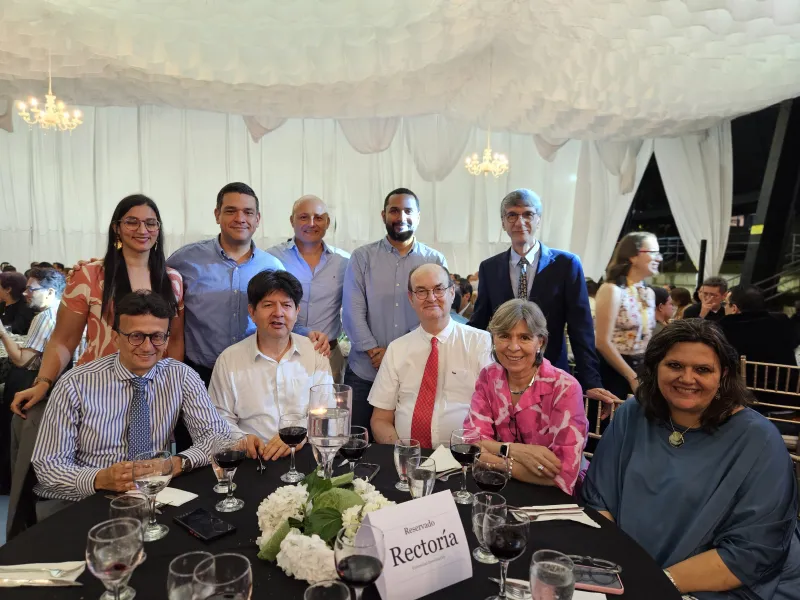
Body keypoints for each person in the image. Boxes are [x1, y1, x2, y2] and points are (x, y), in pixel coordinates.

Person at [582, 319, 800, 599]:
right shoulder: (633, 413)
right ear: (654, 367)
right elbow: (599, 500)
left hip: (723, 585)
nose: (687, 378)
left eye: (702, 370)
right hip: (627, 573)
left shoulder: (759, 440)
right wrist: (614, 571)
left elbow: (751, 553)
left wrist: (653, 583)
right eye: (674, 365)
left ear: (723, 376)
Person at [31, 291, 230, 511]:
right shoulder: (75, 383)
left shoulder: (181, 376)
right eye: (136, 336)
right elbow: (48, 465)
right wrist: (100, 478)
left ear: (166, 339)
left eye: (157, 336)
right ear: (116, 338)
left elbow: (218, 437)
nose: (147, 347)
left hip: (155, 495)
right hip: (83, 500)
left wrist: (176, 463)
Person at [10, 195, 185, 419]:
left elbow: (176, 340)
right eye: (132, 222)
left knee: (148, 453)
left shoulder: (173, 280)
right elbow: (63, 339)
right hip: (97, 388)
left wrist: (174, 386)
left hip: (153, 391)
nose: (142, 229)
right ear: (117, 228)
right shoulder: (89, 275)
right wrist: (44, 382)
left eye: (150, 223)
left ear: (158, 229)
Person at [167, 182, 329, 387]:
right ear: (217, 215)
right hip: (198, 375)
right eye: (231, 211)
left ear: (257, 219)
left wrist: (308, 335)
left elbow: (281, 316)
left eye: (248, 212)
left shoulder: (272, 266)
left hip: (254, 374)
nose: (240, 218)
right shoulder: (185, 261)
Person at [469, 189, 617, 407]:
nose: (520, 221)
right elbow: (480, 325)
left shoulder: (566, 264)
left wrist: (591, 381)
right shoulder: (489, 268)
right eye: (512, 215)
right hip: (504, 374)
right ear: (503, 223)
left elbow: (581, 328)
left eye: (527, 214)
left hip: (553, 373)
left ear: (538, 219)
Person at [342, 187, 447, 432]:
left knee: (410, 442)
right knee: (355, 442)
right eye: (394, 211)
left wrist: (398, 352)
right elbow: (352, 309)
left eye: (408, 211)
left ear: (418, 216)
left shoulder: (435, 260)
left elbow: (438, 311)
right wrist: (372, 350)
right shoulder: (362, 257)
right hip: (366, 370)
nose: (401, 217)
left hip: (417, 369)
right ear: (383, 215)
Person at [465, 299, 589, 495]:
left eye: (524, 337)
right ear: (494, 339)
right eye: (504, 336)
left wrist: (496, 456)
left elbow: (563, 473)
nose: (513, 347)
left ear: (540, 342)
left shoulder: (565, 388)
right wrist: (514, 450)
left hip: (556, 498)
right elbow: (471, 442)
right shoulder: (489, 376)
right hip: (499, 487)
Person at [209, 270, 333, 459]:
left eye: (286, 305)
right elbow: (219, 416)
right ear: (252, 312)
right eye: (268, 305)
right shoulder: (230, 359)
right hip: (252, 457)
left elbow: (327, 410)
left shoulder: (315, 353)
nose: (278, 313)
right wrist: (242, 439)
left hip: (305, 452)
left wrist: (299, 434)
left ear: (297, 311)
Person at [369, 264, 492, 447]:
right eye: (421, 291)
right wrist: (403, 452)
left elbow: (496, 413)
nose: (431, 297)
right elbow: (380, 419)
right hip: (408, 458)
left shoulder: (480, 342)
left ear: (452, 293)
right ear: (411, 299)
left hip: (466, 457)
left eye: (438, 289)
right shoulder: (397, 349)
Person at [267, 195, 350, 382]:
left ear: (328, 222)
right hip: (280, 352)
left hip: (327, 354)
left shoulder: (345, 262)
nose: (311, 223)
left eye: (319, 217)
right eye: (304, 217)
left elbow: (356, 306)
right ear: (292, 220)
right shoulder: (271, 258)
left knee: (328, 410)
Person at [0, 268, 66, 494]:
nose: (26, 293)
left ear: (49, 292)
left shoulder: (44, 317)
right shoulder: (64, 313)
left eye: (31, 289)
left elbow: (21, 360)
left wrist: (2, 333)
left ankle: (12, 484)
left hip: (36, 381)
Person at [720, 285, 799, 422]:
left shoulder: (723, 328)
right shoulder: (782, 322)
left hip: (744, 404)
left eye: (725, 304)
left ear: (734, 308)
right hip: (788, 402)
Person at [594, 232, 660, 398]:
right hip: (614, 370)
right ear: (633, 257)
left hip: (642, 369)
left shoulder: (648, 293)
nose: (658, 258)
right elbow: (602, 342)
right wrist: (631, 376)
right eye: (652, 252)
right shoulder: (612, 290)